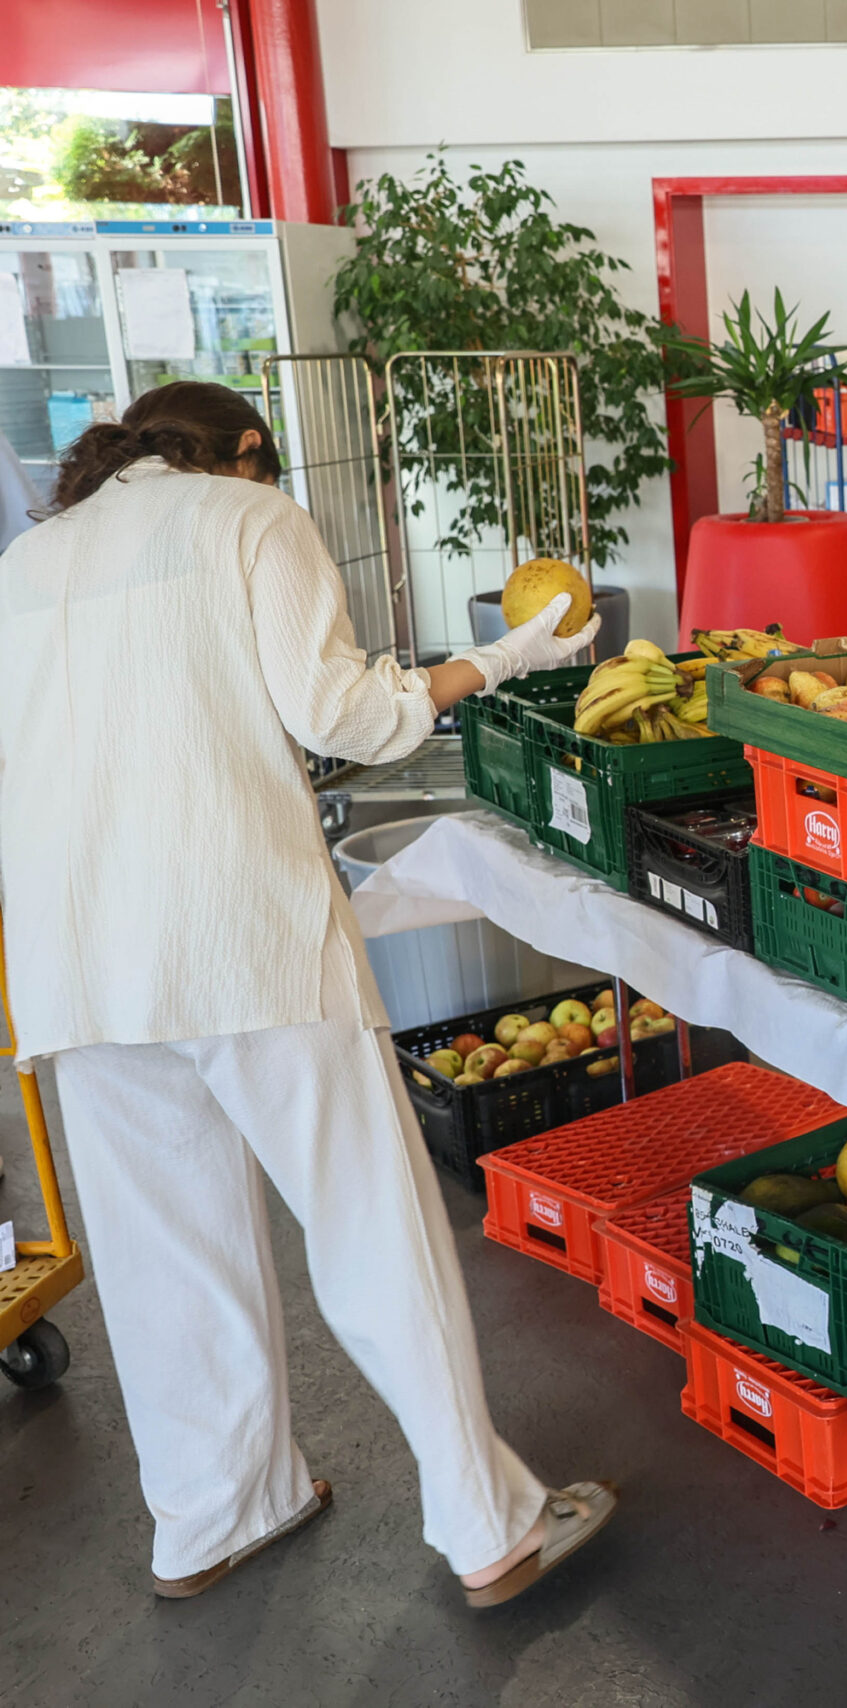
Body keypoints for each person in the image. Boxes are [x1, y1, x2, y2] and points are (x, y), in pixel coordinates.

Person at [0, 381, 617, 1604]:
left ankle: (214, 1515)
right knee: (367, 1222)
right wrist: (502, 654)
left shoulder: (31, 559)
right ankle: (487, 1520)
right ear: (242, 454)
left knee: (161, 1251)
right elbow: (349, 715)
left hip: (78, 958)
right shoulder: (249, 519)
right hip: (243, 933)